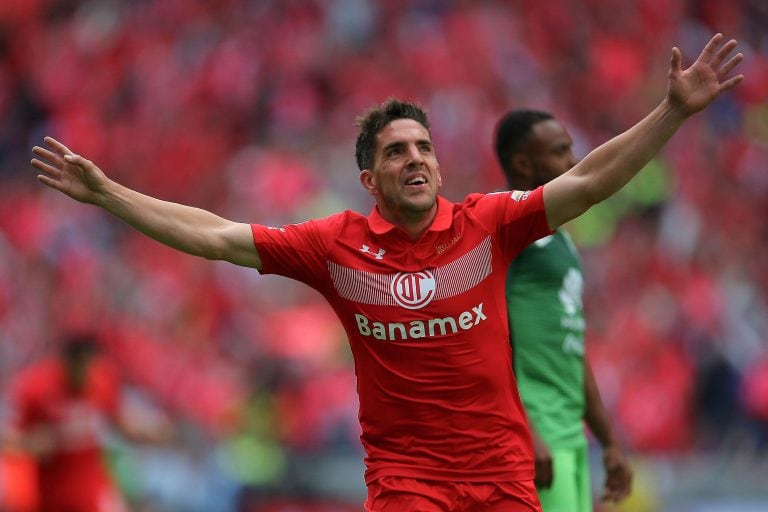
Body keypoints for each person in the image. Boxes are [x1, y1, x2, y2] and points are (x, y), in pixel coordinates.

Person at [30, 34, 742, 512]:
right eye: (397, 151)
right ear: (371, 179)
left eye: (424, 147)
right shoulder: (334, 248)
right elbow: (216, 236)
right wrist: (109, 194)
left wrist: (671, 113)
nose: (416, 159)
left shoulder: (488, 224)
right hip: (408, 484)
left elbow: (588, 182)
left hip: (501, 476)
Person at [494, 109, 632, 511]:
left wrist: (608, 440)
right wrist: (526, 430)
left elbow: (572, 345)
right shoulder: (503, 232)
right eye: (559, 151)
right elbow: (488, 336)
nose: (573, 160)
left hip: (569, 435)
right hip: (534, 433)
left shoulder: (562, 244)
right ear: (523, 164)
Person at [4, 333, 172, 512]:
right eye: (80, 368)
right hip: (50, 491)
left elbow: (118, 421)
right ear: (65, 364)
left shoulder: (102, 382)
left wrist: (148, 430)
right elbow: (10, 441)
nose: (85, 376)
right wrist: (33, 444)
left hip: (92, 485)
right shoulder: (37, 389)